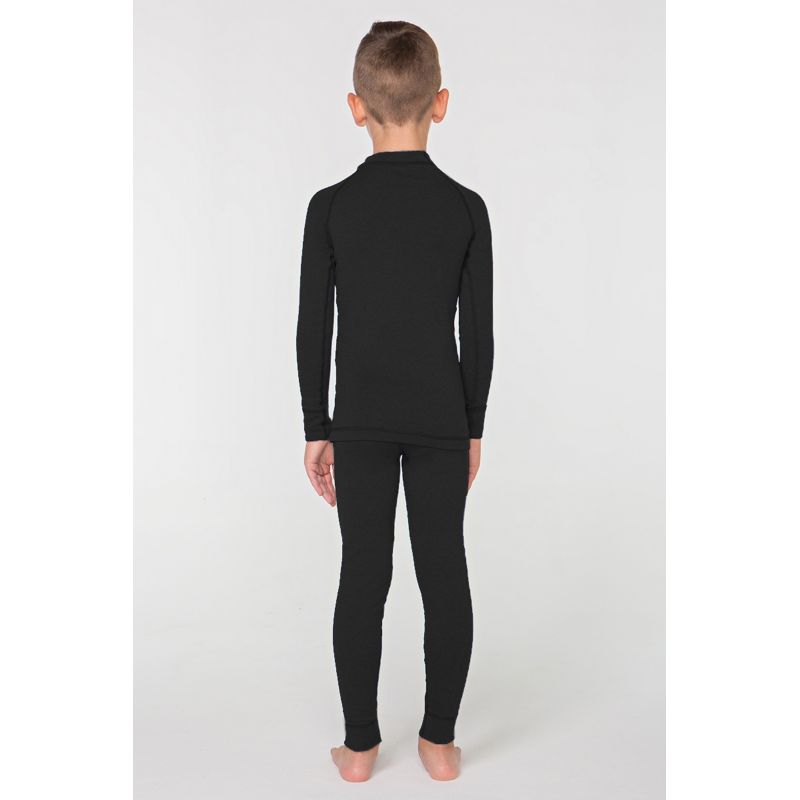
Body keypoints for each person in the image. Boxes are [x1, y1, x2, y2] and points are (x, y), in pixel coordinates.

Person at [295, 20, 494, 782]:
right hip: (442, 419)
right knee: (445, 572)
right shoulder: (466, 209)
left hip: (360, 421)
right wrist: (472, 428)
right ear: (440, 103)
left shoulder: (330, 207)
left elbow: (312, 327)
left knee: (362, 575)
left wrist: (318, 427)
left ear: (357, 107)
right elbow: (479, 333)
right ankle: (439, 745)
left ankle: (359, 749)